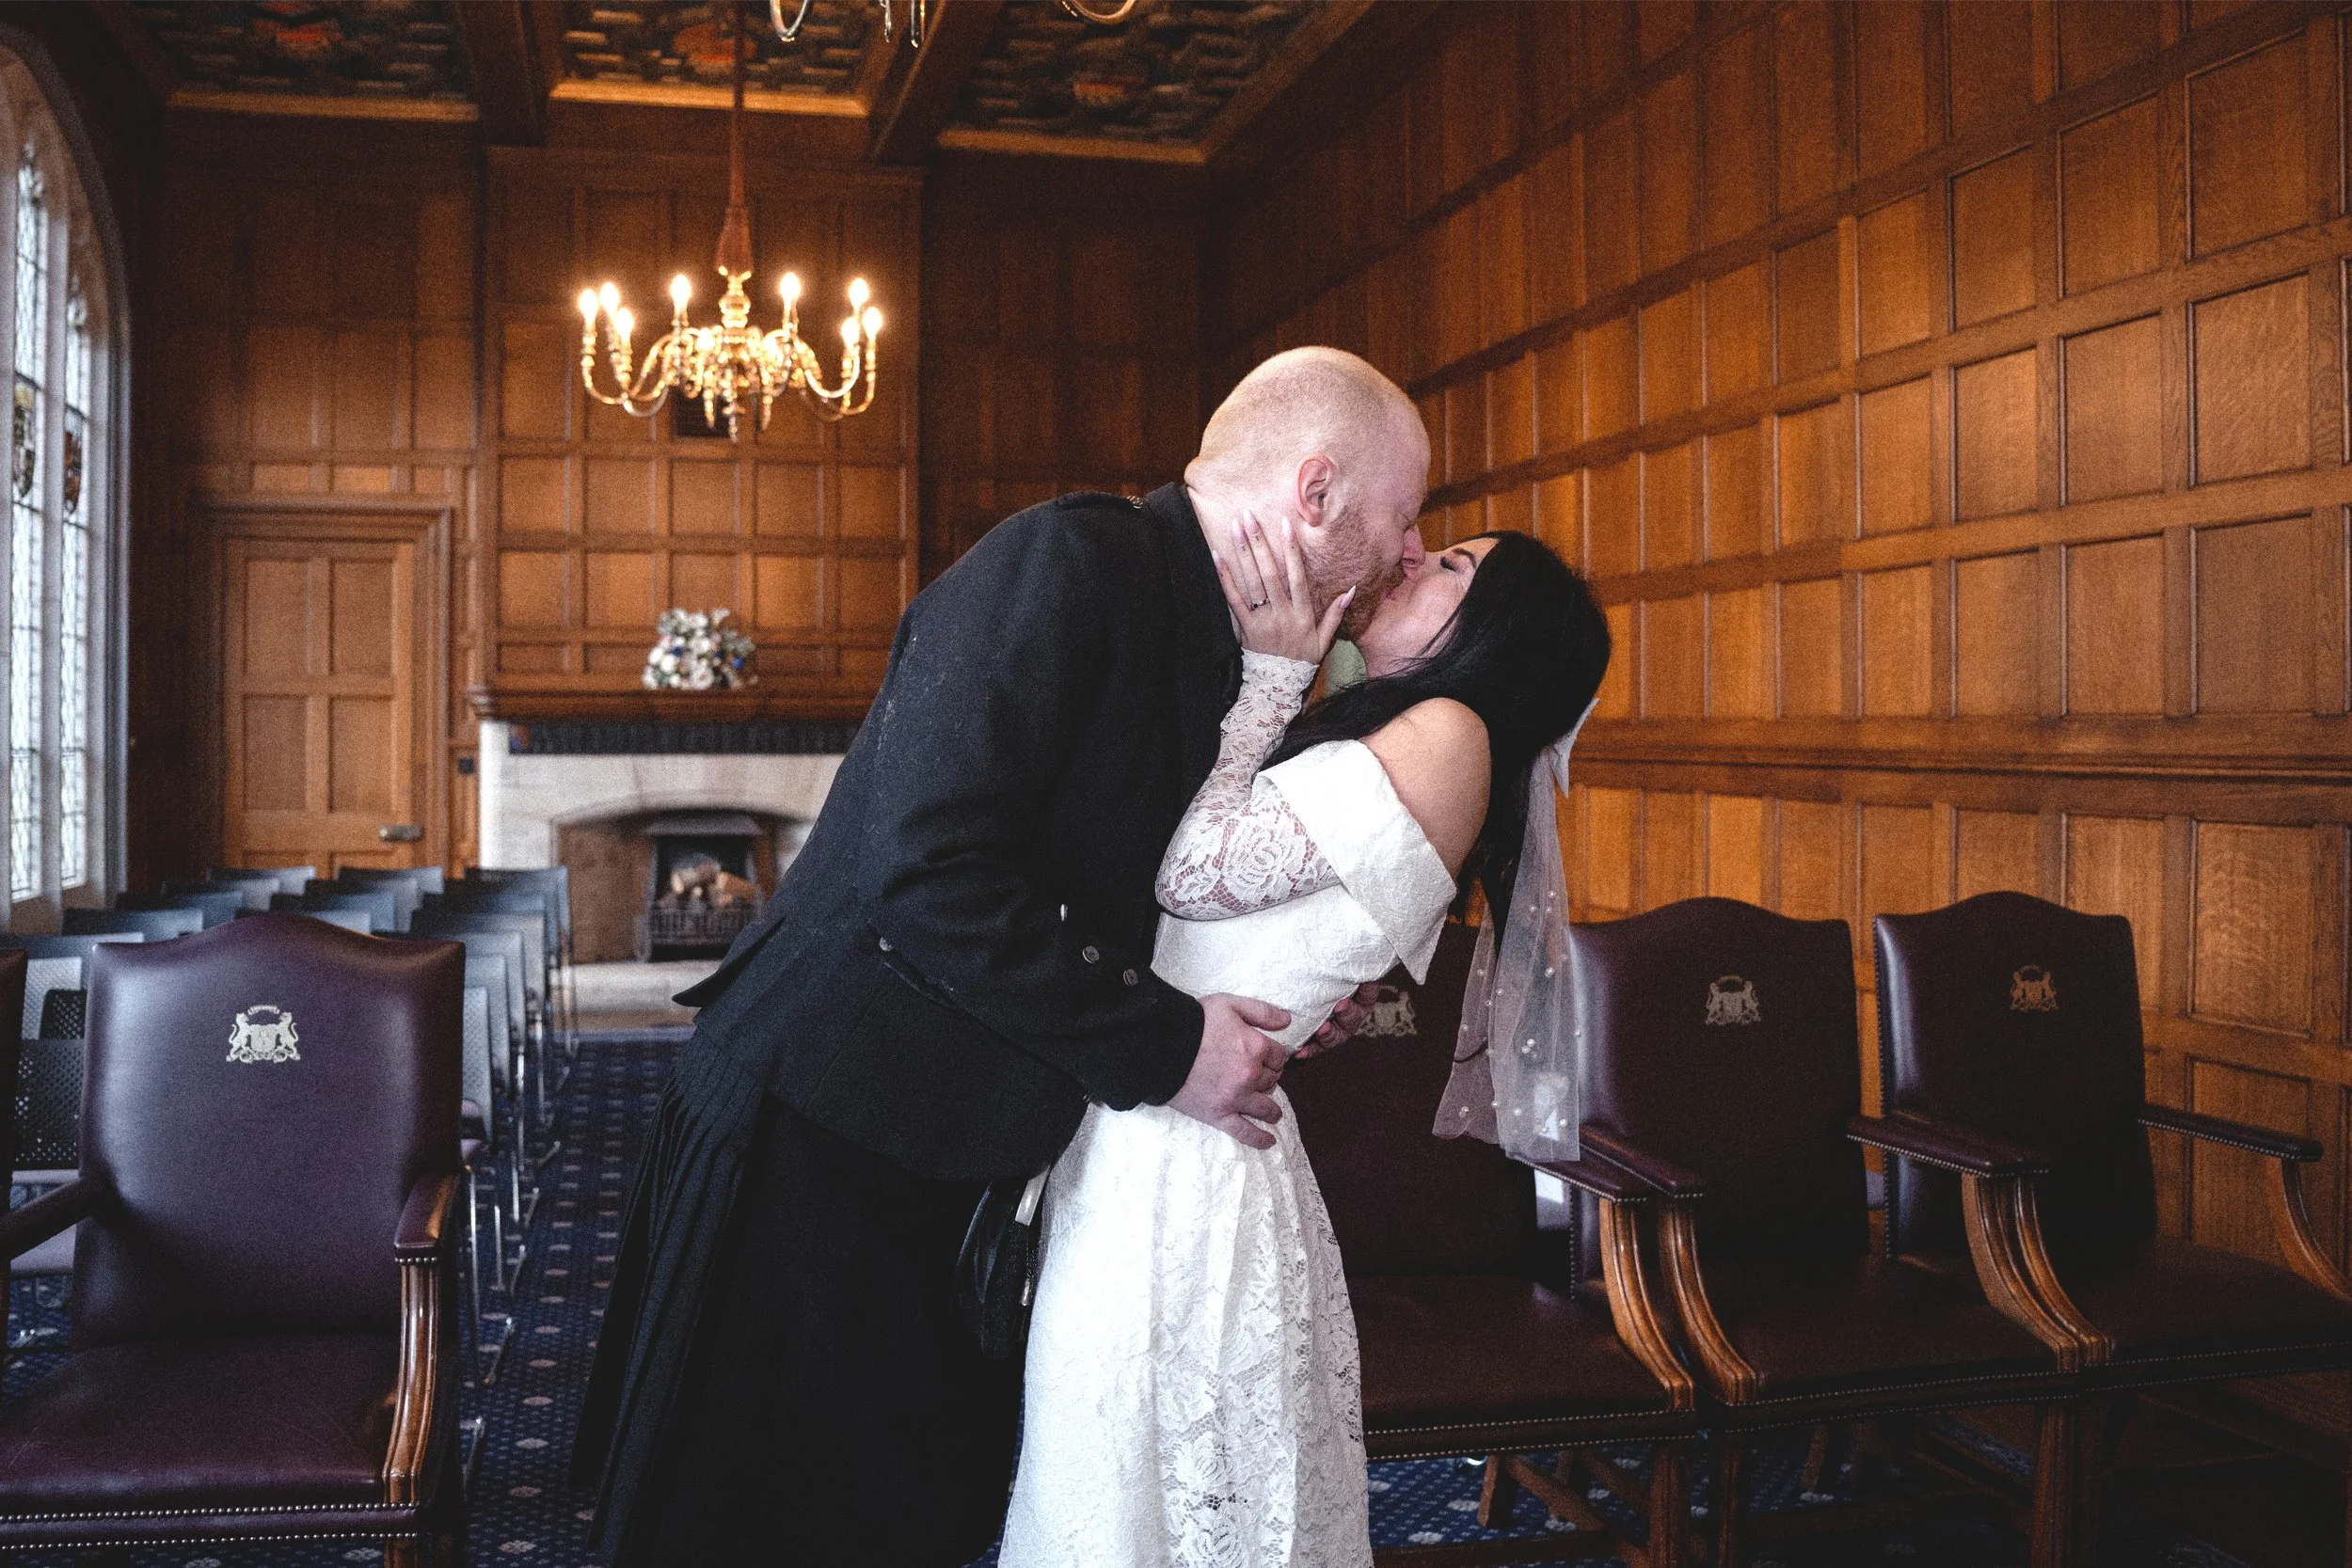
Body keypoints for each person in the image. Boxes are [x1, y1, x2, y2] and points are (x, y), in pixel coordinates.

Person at [568, 346, 1431, 1567]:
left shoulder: (1229, 641)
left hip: (949, 1156)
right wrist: (1177, 1045)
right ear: (1316, 492)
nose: (1408, 550)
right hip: (812, 1137)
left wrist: (1263, 999)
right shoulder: (1072, 562)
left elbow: (1121, 896)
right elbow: (928, 873)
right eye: (1407, 515)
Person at [997, 513, 1610, 1568]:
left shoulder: (1451, 729)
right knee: (1117, 1479)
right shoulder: (1407, 727)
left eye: (1455, 565)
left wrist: (1275, 670)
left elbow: (1187, 869)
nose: (1416, 555)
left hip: (1190, 1167)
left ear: (1494, 633)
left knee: (1158, 1492)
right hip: (1168, 1122)